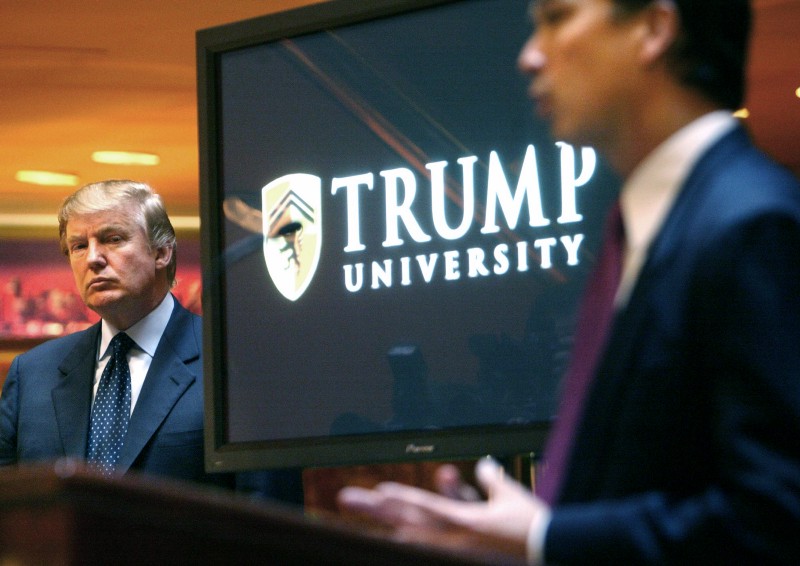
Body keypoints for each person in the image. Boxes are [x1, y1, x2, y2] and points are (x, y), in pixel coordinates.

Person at [338, 0, 800, 563]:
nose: (529, 56)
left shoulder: (752, 223)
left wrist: (545, 538)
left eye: (557, 18)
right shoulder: (646, 227)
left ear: (654, 28)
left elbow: (775, 519)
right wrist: (517, 538)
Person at [0, 180, 278, 494]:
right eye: (79, 246)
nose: (93, 258)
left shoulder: (235, 362)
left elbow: (268, 508)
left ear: (162, 252)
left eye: (113, 239)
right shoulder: (32, 374)